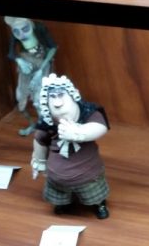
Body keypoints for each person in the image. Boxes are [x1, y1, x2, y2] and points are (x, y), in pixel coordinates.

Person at [31, 74, 111, 219]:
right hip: (57, 178)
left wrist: (79, 132)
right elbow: (40, 141)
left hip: (88, 174)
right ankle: (62, 204)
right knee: (60, 194)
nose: (57, 103)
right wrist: (39, 162)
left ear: (73, 95)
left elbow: (100, 127)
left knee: (93, 193)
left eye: (61, 95)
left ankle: (99, 204)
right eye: (52, 97)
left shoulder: (88, 113)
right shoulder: (47, 122)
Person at [3, 17, 57, 136]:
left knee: (39, 99)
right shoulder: (16, 33)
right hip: (26, 63)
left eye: (25, 29)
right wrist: (19, 60)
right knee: (20, 98)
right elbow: (11, 53)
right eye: (16, 32)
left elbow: (53, 47)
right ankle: (33, 124)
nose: (21, 35)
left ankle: (45, 127)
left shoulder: (40, 28)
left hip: (42, 62)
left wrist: (41, 70)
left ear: (31, 25)